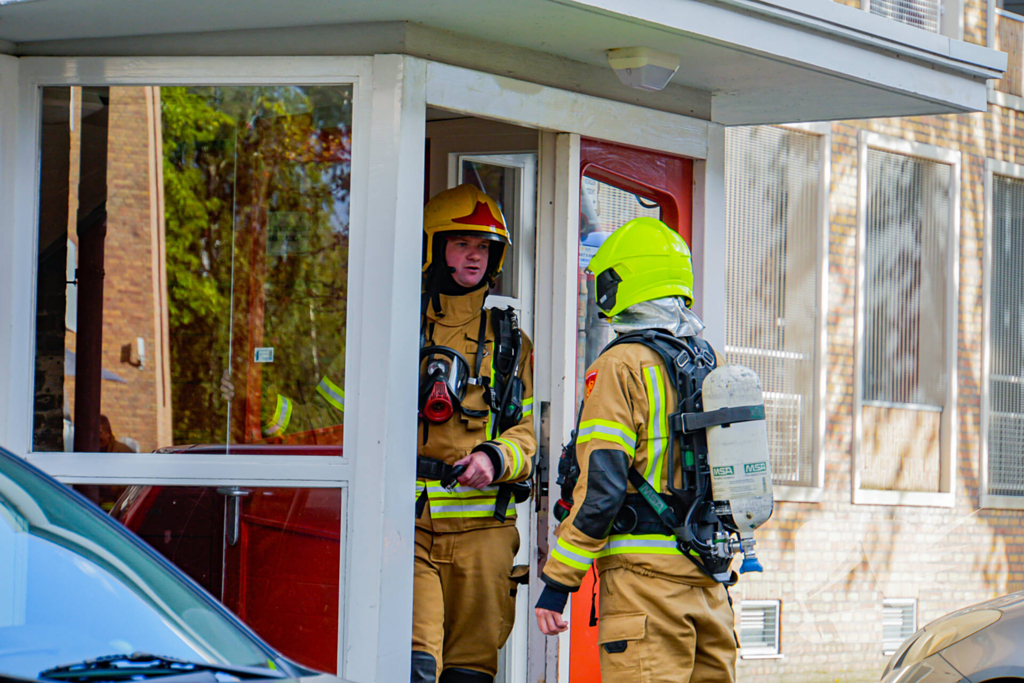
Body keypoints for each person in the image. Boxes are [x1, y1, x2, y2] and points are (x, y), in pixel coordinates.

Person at [535, 218, 740, 683]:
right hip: (710, 583)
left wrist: (559, 582)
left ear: (620, 283)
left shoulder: (620, 364)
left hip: (645, 589)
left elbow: (602, 488)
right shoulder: (711, 360)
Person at [412, 184, 536, 683]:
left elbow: (528, 433)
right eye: (461, 243)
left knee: (469, 673)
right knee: (415, 665)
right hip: (408, 528)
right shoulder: (399, 326)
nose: (474, 256)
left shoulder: (510, 342)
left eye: (484, 246)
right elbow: (340, 412)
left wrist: (494, 458)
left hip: (484, 535)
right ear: (433, 247)